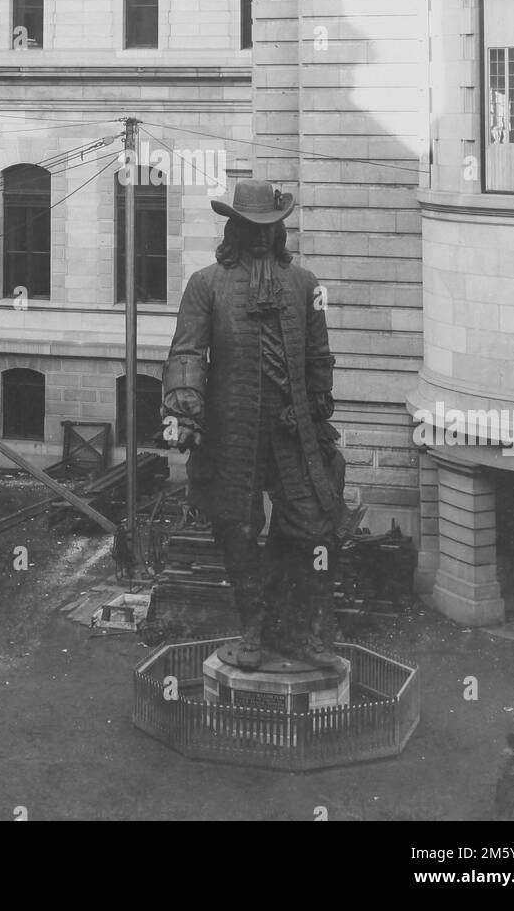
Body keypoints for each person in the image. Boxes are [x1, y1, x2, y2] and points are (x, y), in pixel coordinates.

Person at [160, 179, 361, 671]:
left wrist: (318, 407)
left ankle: (302, 634)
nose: (259, 238)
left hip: (295, 436)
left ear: (279, 232)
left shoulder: (306, 285)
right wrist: (184, 413)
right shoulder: (205, 284)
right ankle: (252, 628)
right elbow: (188, 351)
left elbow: (318, 355)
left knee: (314, 530)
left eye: (268, 229)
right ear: (234, 228)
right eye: (250, 228)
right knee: (238, 529)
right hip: (232, 433)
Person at [494, 733, 514, 821]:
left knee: (504, 796)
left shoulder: (506, 752)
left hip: (506, 777)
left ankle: (504, 815)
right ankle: (513, 815)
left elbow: (502, 765)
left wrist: (500, 775)